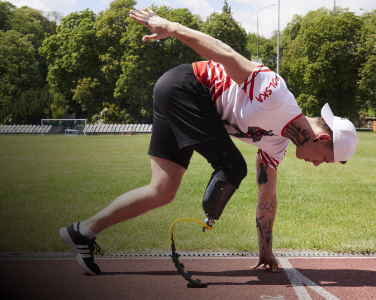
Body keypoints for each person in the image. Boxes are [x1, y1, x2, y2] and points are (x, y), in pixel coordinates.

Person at [59, 7, 359, 275]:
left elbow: (267, 196)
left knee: (161, 190)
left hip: (176, 98)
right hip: (185, 87)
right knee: (232, 166)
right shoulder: (275, 94)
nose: (317, 164)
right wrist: (172, 27)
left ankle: (82, 231)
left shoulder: (276, 145)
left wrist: (265, 248)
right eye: (325, 159)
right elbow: (225, 54)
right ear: (322, 138)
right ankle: (208, 211)